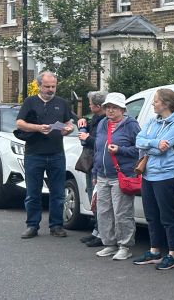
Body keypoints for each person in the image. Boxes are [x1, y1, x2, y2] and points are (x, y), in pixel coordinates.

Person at [15, 71, 76, 238]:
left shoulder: (62, 103)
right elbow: (19, 123)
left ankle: (56, 225)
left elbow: (68, 123)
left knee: (57, 192)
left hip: (56, 153)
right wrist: (37, 128)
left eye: (53, 86)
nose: (50, 90)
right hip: (34, 153)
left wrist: (68, 129)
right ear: (39, 85)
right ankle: (32, 226)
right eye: (47, 86)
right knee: (33, 192)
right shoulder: (30, 102)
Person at [132, 88, 174, 270]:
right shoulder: (152, 121)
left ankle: (173, 254)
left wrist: (150, 145)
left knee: (168, 216)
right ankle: (154, 251)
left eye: (156, 101)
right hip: (148, 174)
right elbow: (138, 140)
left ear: (165, 103)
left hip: (166, 175)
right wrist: (154, 143)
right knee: (152, 216)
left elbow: (163, 148)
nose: (153, 103)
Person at [91, 92, 141, 261]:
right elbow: (98, 150)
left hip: (121, 175)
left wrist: (121, 150)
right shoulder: (102, 124)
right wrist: (95, 172)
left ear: (122, 109)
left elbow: (139, 149)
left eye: (114, 107)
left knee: (122, 212)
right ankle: (109, 244)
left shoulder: (131, 125)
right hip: (103, 174)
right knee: (104, 212)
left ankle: (125, 246)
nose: (110, 111)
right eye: (107, 107)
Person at [77, 90, 107, 247]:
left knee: (98, 199)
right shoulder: (95, 118)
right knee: (92, 196)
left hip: (98, 164)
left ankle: (102, 233)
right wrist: (84, 126)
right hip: (91, 164)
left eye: (90, 103)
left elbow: (102, 143)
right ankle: (96, 230)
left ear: (98, 106)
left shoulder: (106, 120)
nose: (89, 106)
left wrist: (87, 138)